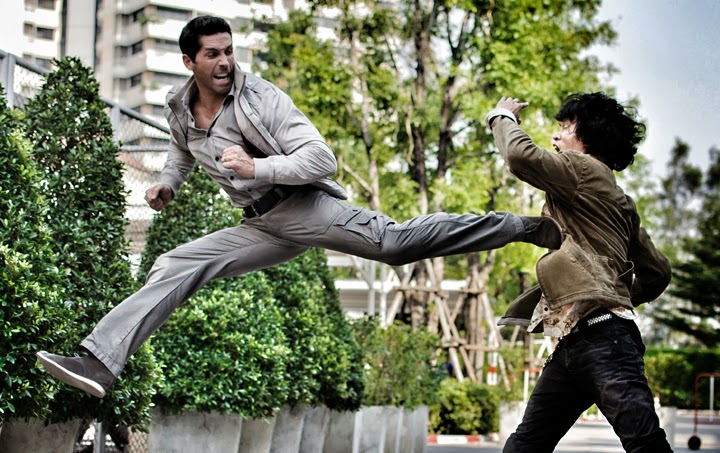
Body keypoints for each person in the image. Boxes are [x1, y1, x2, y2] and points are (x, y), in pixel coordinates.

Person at [36, 16, 561, 399]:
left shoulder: (260, 98)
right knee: (175, 264)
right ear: (189, 62)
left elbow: (321, 159)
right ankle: (100, 362)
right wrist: (168, 185)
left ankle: (519, 227)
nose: (224, 62)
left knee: (395, 245)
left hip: (304, 206)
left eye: (229, 51)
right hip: (260, 224)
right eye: (212, 54)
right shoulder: (179, 107)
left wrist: (257, 167)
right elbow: (181, 152)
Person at [486, 93, 673, 452]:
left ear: (589, 137)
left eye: (566, 128)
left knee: (645, 443)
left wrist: (502, 116)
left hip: (606, 342)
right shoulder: (621, 201)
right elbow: (658, 272)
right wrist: (617, 296)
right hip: (576, 343)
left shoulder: (582, 169)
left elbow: (520, 156)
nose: (556, 136)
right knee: (526, 445)